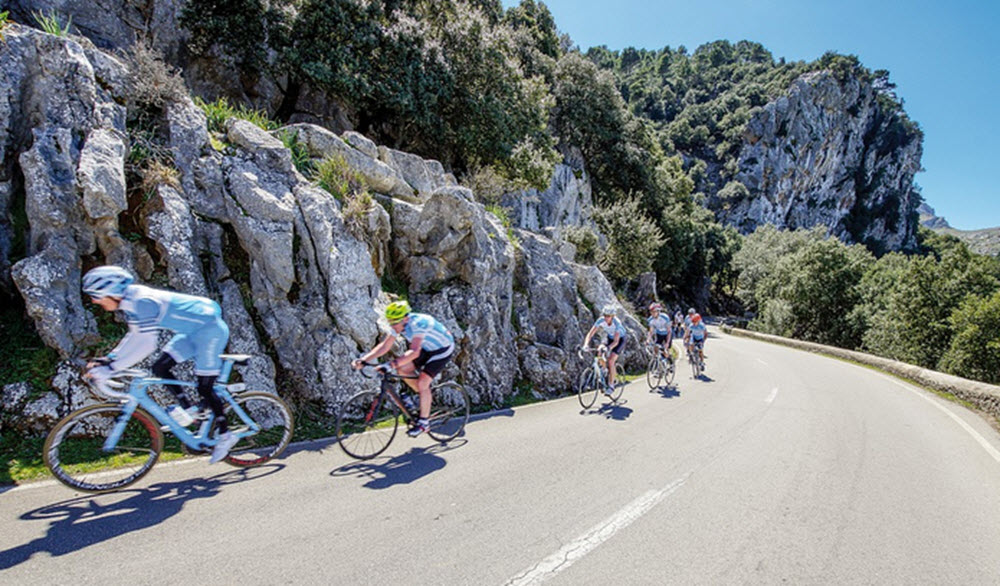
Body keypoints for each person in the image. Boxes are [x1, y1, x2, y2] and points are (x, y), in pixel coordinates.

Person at [82, 265, 237, 464]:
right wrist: (110, 359)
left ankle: (226, 436)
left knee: (205, 386)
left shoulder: (142, 302)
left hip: (210, 332)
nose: (94, 301)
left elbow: (147, 344)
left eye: (95, 296)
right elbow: (135, 336)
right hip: (191, 333)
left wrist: (112, 368)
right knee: (160, 368)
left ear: (111, 292)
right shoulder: (130, 302)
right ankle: (191, 410)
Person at [352, 300, 455, 437]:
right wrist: (364, 359)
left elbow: (414, 352)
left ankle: (424, 422)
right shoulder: (398, 325)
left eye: (395, 322)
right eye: (390, 322)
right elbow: (385, 346)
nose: (392, 326)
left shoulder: (419, 324)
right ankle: (423, 398)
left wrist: (391, 364)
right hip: (426, 347)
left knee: (423, 382)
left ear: (406, 318)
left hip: (442, 349)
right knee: (403, 369)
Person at [582, 305, 626, 395]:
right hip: (609, 337)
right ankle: (604, 370)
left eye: (608, 316)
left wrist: (608, 348)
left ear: (613, 316)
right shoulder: (601, 320)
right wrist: (585, 344)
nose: (606, 318)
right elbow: (590, 333)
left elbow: (616, 342)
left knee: (610, 360)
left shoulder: (617, 323)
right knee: (600, 350)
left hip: (620, 340)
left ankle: (611, 386)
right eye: (605, 315)